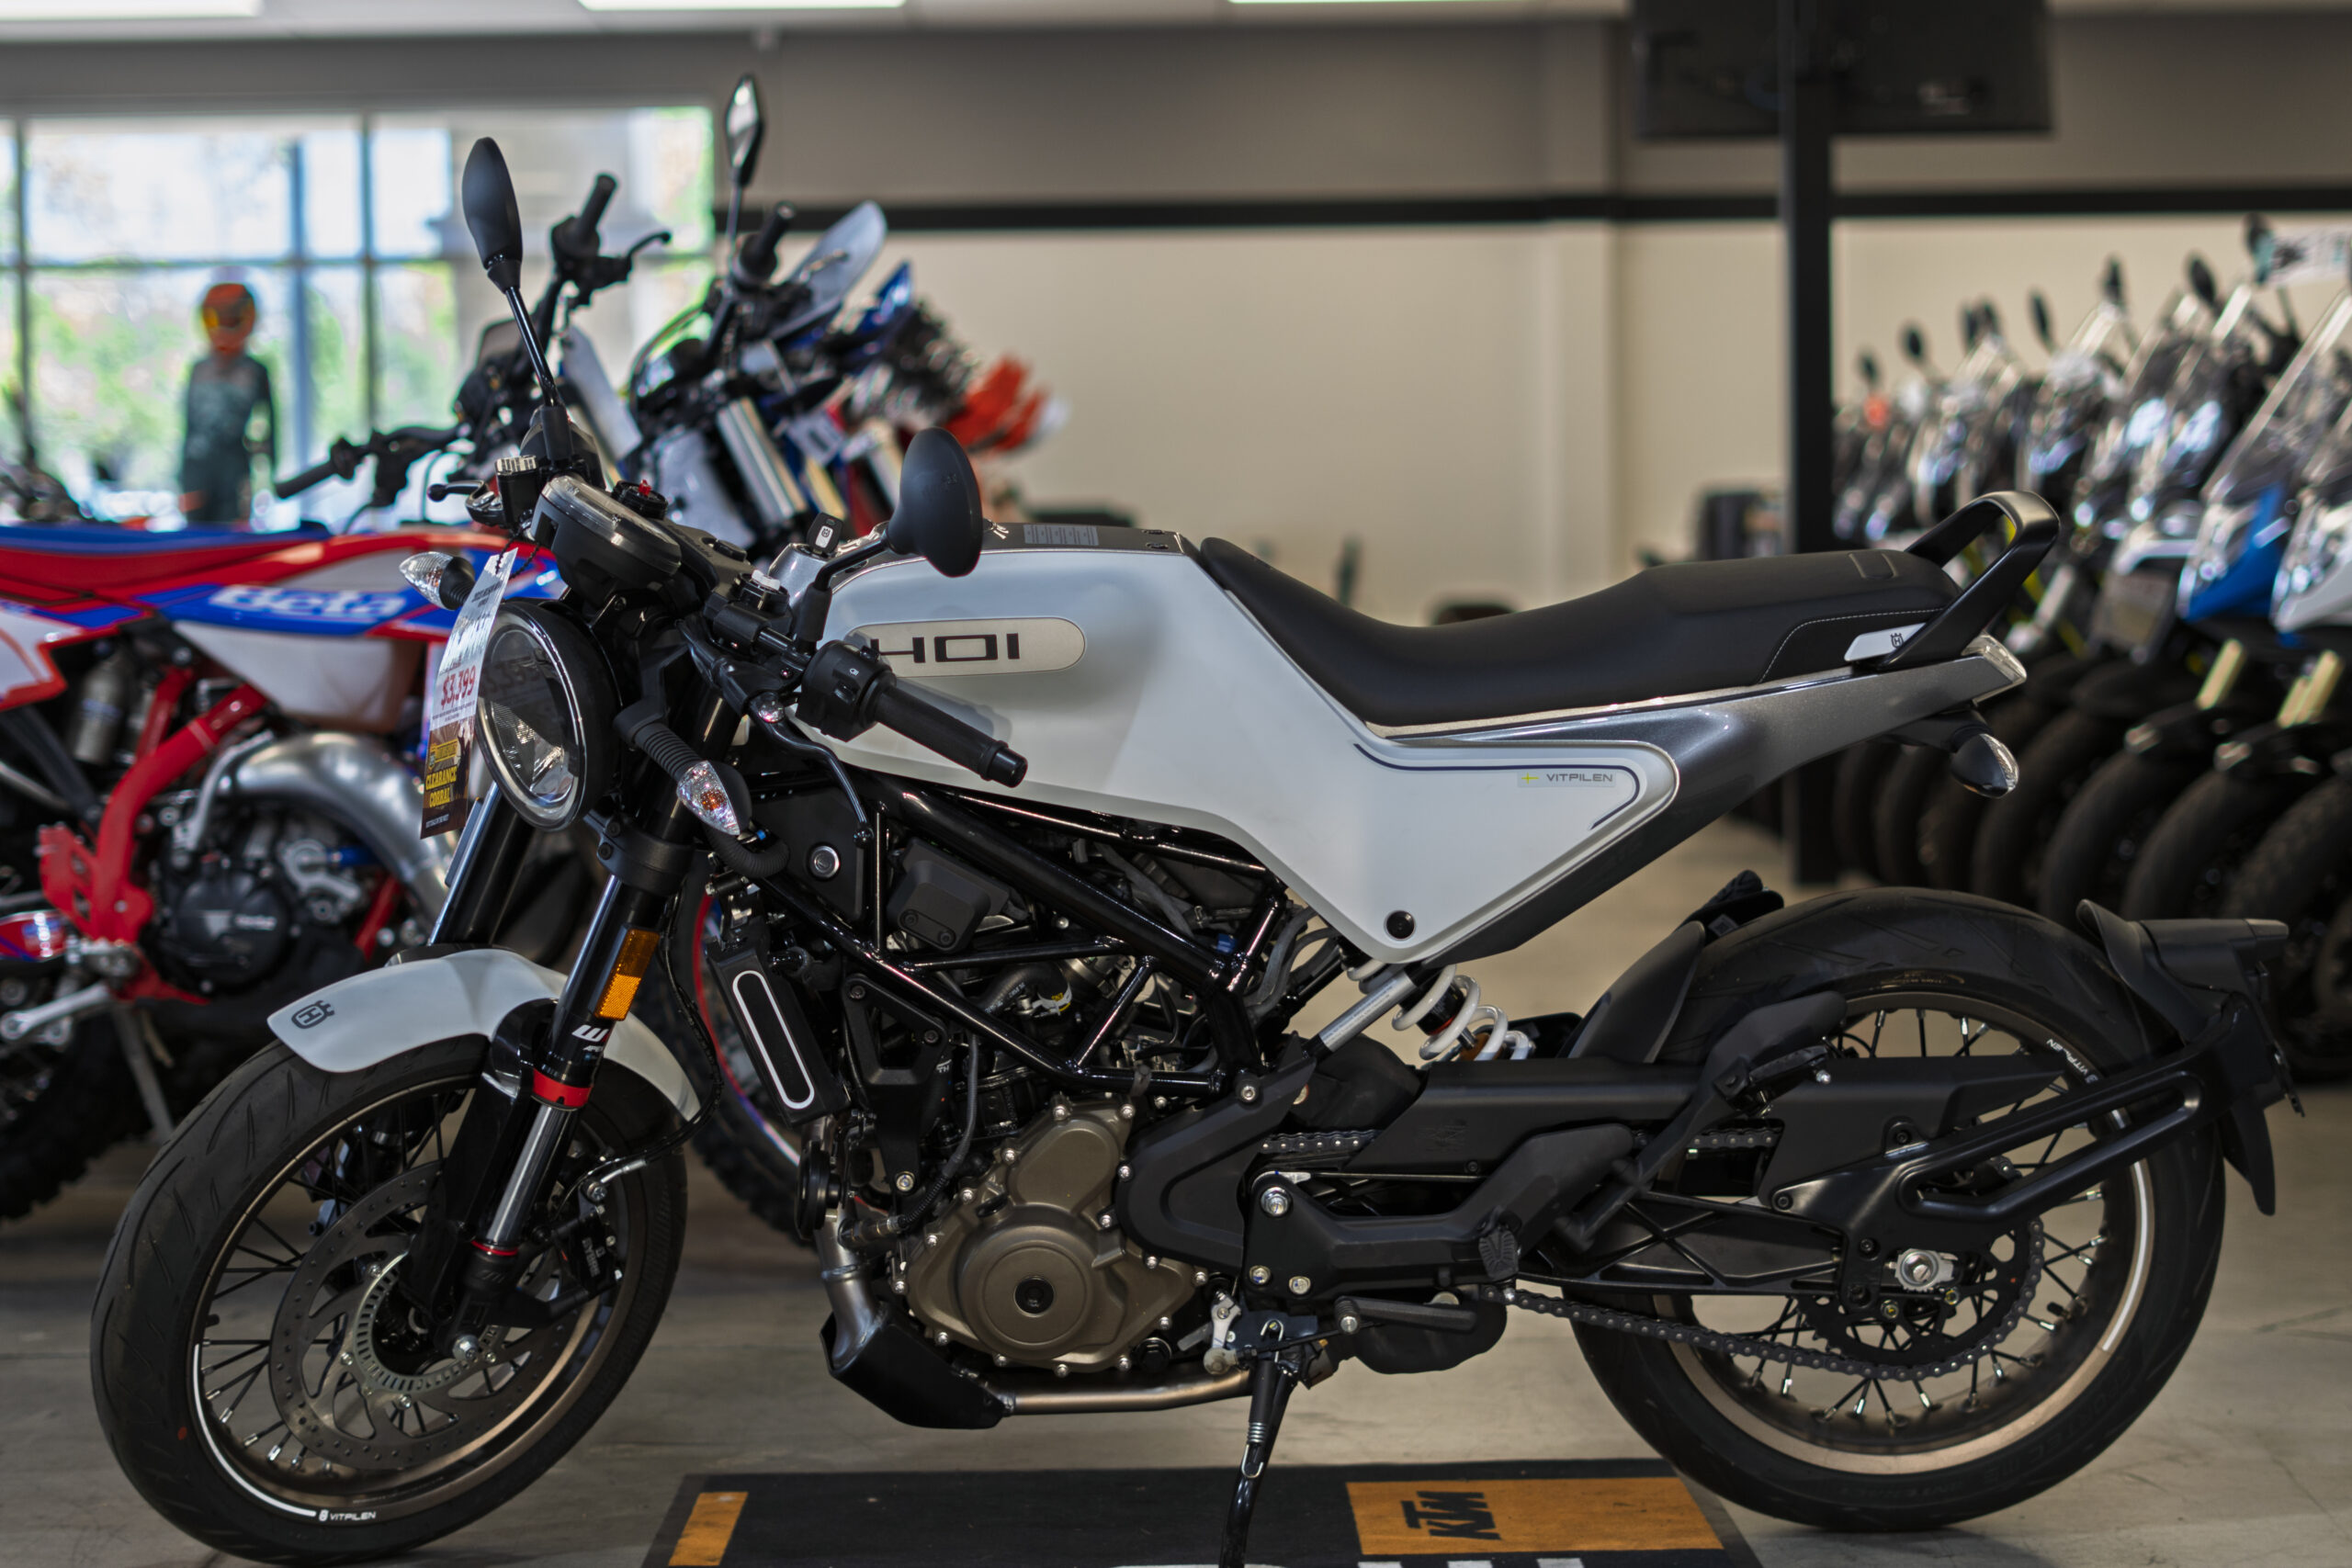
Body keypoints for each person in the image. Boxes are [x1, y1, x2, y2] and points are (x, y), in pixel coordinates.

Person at [178, 281, 276, 525]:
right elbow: (188, 428)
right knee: (195, 536)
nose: (223, 327)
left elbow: (271, 426)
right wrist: (184, 480)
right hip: (198, 473)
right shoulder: (198, 370)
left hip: (235, 473)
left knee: (234, 532)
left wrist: (270, 468)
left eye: (232, 318)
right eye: (216, 317)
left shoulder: (255, 371)